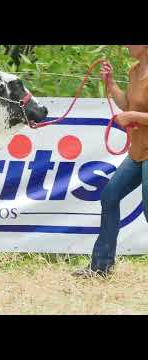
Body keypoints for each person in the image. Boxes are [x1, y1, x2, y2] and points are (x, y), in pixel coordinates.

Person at [73, 45, 148, 278]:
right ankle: (100, 267)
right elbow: (127, 104)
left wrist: (133, 117)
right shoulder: (135, 71)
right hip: (138, 151)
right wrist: (110, 83)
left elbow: (132, 113)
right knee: (109, 197)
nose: (126, 45)